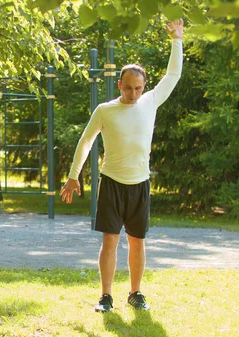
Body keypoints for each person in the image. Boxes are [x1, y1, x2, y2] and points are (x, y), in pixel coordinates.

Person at [60, 19, 184, 312]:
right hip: (112, 182)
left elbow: (173, 74)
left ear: (143, 86)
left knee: (138, 242)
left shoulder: (150, 102)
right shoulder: (105, 110)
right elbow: (85, 141)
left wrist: (176, 39)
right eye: (128, 88)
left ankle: (136, 293)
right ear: (120, 85)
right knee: (110, 241)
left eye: (138, 88)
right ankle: (106, 297)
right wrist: (73, 177)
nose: (133, 94)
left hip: (140, 183)